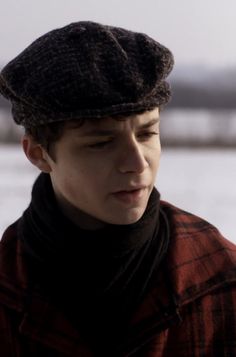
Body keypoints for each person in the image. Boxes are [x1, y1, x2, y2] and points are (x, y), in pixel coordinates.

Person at [0, 21, 235, 357]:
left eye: (146, 134)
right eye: (102, 143)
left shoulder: (221, 279)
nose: (137, 163)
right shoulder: (7, 289)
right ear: (38, 154)